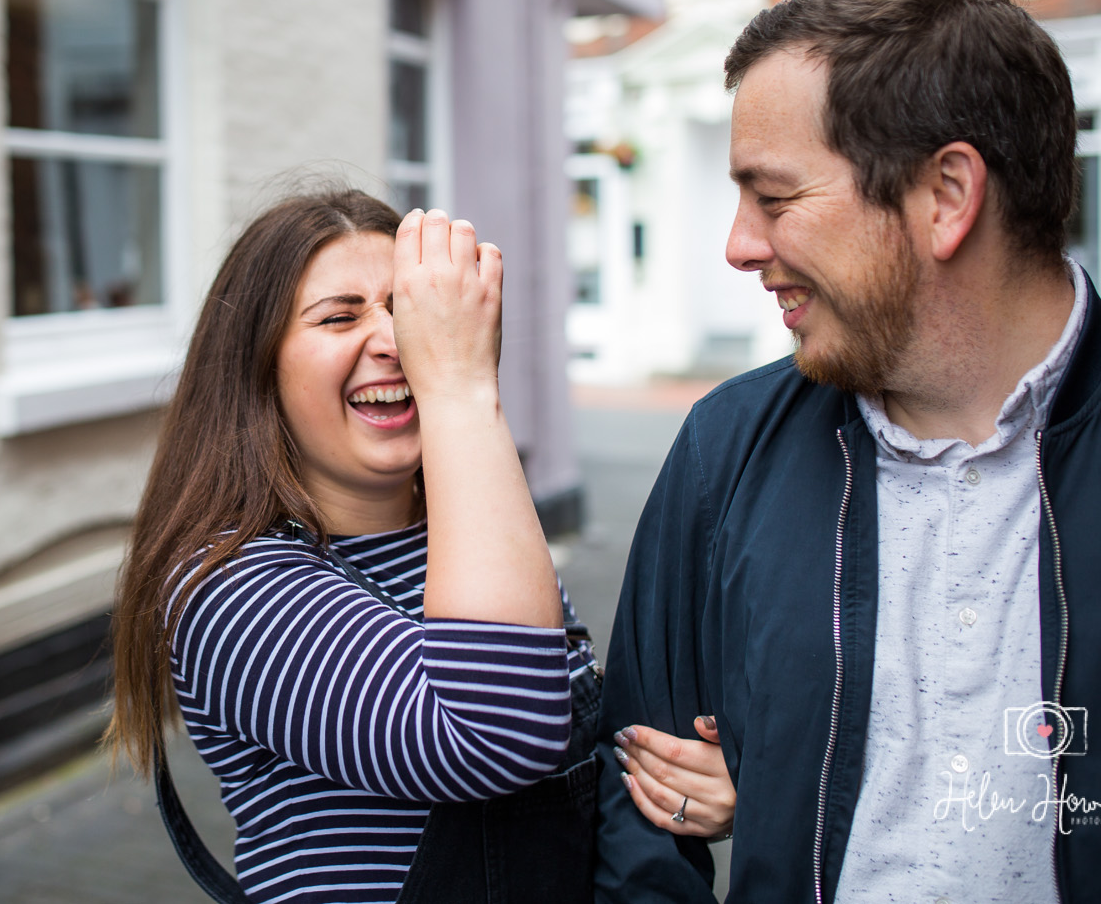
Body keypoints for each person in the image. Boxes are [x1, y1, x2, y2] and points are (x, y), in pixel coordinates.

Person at [594, 0, 1101, 902]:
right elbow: (639, 818)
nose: (738, 244)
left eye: (774, 199)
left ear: (947, 194)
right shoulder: (723, 450)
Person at [107, 190, 733, 904]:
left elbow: (586, 757)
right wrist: (463, 387)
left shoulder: (472, 534)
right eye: (340, 316)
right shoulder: (229, 587)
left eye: (408, 309)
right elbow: (497, 735)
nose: (396, 341)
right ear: (257, 369)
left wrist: (684, 791)